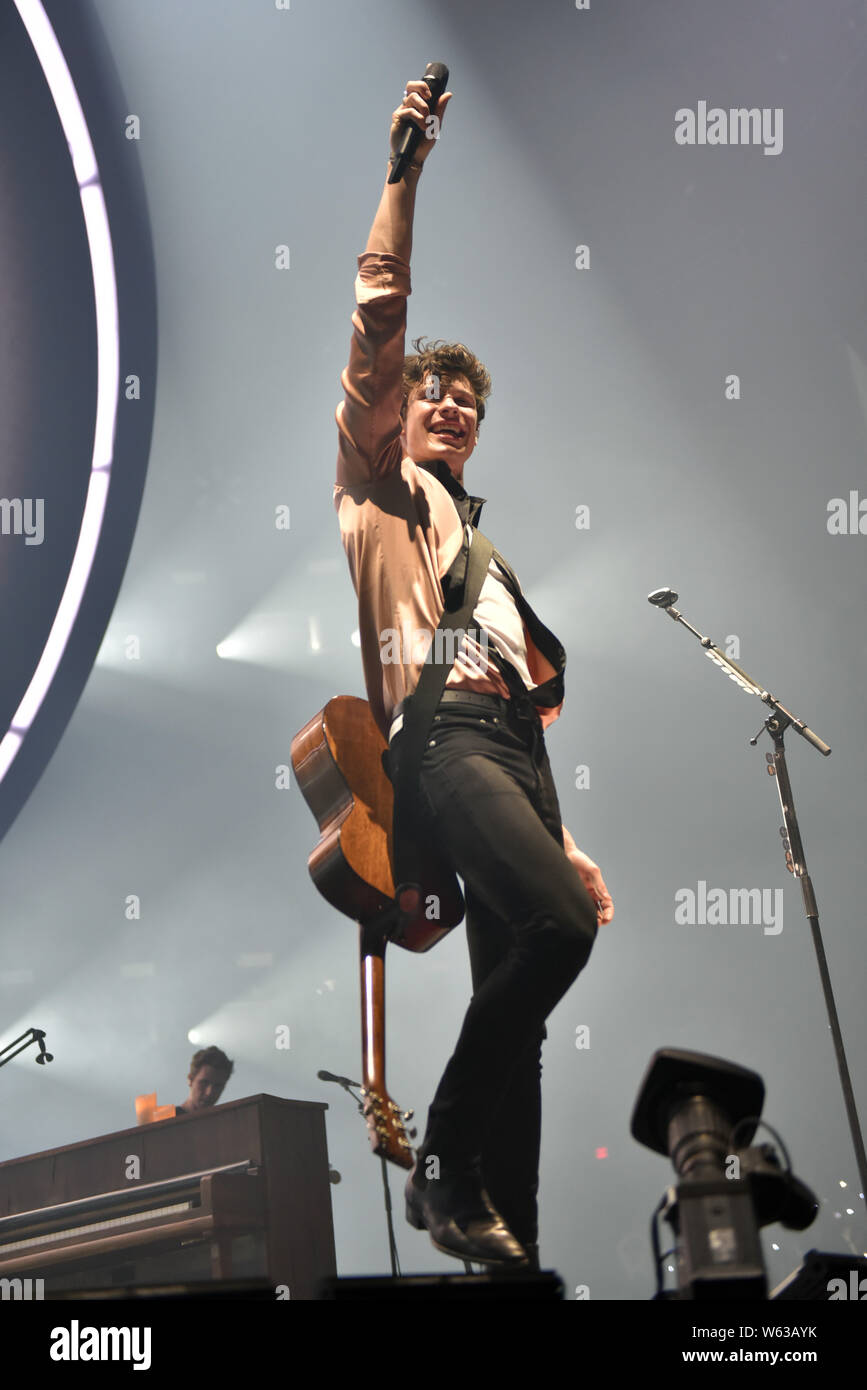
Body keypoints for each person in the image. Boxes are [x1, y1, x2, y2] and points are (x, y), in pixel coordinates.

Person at [334, 76, 614, 1270]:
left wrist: (562, 829)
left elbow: (520, 702)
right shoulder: (379, 491)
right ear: (396, 418)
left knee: (533, 1019)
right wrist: (405, 173)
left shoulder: (486, 553)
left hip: (511, 755)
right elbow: (379, 320)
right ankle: (441, 1163)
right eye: (428, 393)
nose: (444, 403)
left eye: (465, 400)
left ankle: (512, 1251)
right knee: (557, 932)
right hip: (438, 737)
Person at [176, 1046, 234, 1115]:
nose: (209, 1092)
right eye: (204, 1083)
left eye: (218, 1086)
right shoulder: (165, 1119)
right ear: (190, 1080)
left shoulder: (224, 1122)